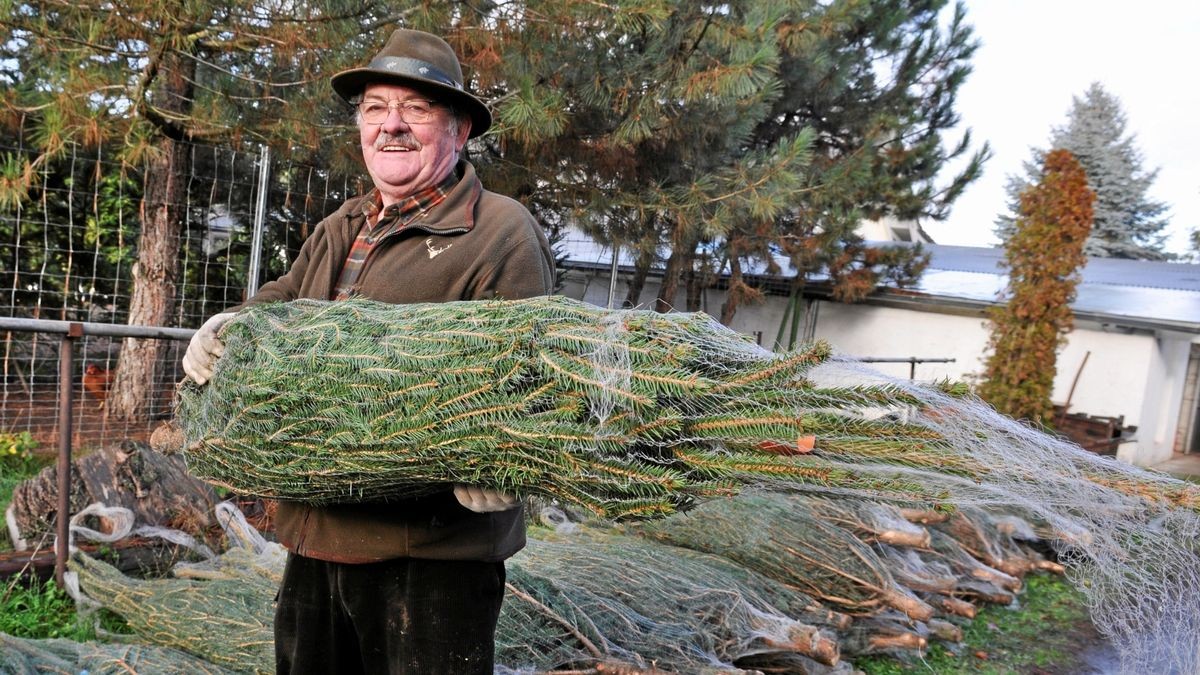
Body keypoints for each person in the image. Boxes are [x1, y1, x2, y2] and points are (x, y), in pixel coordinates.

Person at [182, 27, 555, 674]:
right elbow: (284, 299)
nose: (392, 126)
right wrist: (228, 327)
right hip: (315, 537)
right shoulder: (343, 225)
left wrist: (503, 453)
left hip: (431, 561)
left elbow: (529, 366)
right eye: (375, 108)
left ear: (460, 130)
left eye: (416, 108)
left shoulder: (498, 231)